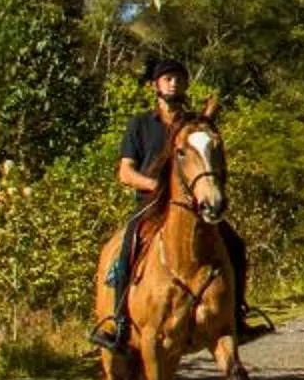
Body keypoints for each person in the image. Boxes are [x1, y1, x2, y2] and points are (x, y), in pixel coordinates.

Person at [95, 54, 254, 354]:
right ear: (156, 85)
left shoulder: (193, 124)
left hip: (193, 207)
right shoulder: (140, 125)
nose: (174, 83)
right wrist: (154, 184)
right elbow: (125, 172)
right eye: (168, 78)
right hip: (151, 206)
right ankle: (119, 323)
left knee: (235, 244)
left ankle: (236, 315)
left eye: (179, 78)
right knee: (126, 249)